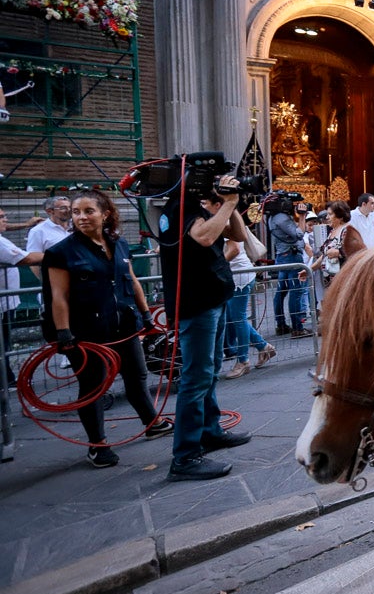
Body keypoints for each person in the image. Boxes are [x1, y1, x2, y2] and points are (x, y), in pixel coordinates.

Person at [43, 191, 173, 468]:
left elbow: (133, 281)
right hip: (87, 332)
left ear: (105, 214)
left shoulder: (120, 244)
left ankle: (153, 423)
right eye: (76, 212)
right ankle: (98, 445)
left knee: (137, 376)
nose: (81, 217)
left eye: (88, 211)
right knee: (93, 387)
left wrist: (146, 315)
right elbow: (58, 296)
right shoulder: (60, 252)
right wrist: (64, 333)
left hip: (124, 325)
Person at [159, 173, 253, 481]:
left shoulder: (197, 210)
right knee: (195, 379)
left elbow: (237, 236)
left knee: (209, 372)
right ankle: (185, 457)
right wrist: (226, 203)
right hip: (196, 305)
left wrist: (232, 204)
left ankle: (209, 432)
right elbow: (204, 237)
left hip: (212, 300)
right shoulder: (178, 209)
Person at [222, 224, 275, 379]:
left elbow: (234, 249)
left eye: (206, 202)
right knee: (235, 318)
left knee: (238, 319)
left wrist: (215, 265)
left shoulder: (225, 221)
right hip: (237, 275)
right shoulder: (221, 218)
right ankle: (263, 346)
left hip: (239, 276)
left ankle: (243, 360)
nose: (203, 204)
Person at [26, 194, 72, 368]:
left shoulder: (75, 227)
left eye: (69, 206)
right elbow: (33, 259)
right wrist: (48, 282)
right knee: (60, 317)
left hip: (79, 284)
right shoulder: (39, 231)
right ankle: (67, 354)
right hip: (55, 286)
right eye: (63, 207)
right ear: (49, 211)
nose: (68, 210)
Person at [1, 209, 44, 386]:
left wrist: (26, 224)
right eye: (2, 217)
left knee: (4, 342)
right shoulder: (1, 244)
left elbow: (6, 226)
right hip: (2, 305)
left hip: (5, 303)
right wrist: (62, 252)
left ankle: (7, 378)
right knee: (3, 344)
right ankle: (6, 380)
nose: (6, 220)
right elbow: (26, 258)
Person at [268, 197, 310, 338]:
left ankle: (281, 324)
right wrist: (302, 216)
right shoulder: (282, 218)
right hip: (291, 257)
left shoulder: (273, 218)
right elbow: (299, 234)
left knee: (282, 291)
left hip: (282, 257)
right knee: (296, 292)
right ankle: (298, 328)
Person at [315, 201, 355, 287]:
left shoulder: (347, 230)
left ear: (340, 216)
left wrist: (338, 253)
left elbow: (353, 251)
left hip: (343, 280)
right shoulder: (333, 231)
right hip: (331, 280)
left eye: (330, 214)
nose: (327, 217)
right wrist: (309, 269)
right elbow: (325, 255)